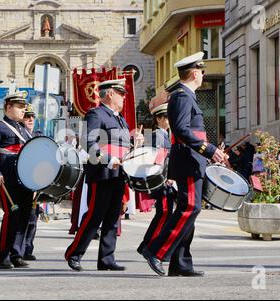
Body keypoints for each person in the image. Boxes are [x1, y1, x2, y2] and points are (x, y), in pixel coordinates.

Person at [141, 52, 227, 277]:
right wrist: (208, 149)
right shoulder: (182, 96)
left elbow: (192, 131)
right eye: (201, 70)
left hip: (193, 159)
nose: (203, 74)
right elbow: (181, 130)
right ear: (195, 73)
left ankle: (181, 263)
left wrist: (211, 150)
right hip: (188, 160)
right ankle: (156, 251)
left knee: (189, 210)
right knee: (190, 208)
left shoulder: (186, 96)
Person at [64, 78, 143, 271]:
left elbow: (123, 147)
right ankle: (74, 253)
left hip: (118, 173)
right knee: (94, 215)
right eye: (121, 93)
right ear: (110, 94)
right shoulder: (96, 114)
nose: (124, 97)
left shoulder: (121, 119)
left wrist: (136, 145)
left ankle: (106, 258)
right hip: (102, 171)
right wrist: (107, 159)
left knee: (113, 217)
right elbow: (87, 143)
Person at [0, 91, 34, 269]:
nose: (23, 110)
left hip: (25, 179)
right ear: (8, 107)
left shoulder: (24, 131)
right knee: (12, 215)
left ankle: (16, 254)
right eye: (19, 107)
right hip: (7, 178)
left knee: (24, 217)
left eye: (24, 107)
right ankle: (2, 254)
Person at [137, 103, 175, 255]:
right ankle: (148, 246)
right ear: (158, 119)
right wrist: (165, 177)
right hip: (161, 181)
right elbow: (157, 159)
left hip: (165, 179)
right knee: (164, 213)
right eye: (165, 117)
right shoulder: (157, 136)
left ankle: (146, 244)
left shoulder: (164, 135)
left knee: (164, 213)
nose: (168, 120)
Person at [20, 104, 42, 261]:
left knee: (33, 218)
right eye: (27, 116)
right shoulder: (18, 135)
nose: (30, 119)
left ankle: (28, 248)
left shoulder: (37, 136)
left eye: (33, 117)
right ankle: (18, 248)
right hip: (21, 180)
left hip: (35, 181)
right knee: (21, 217)